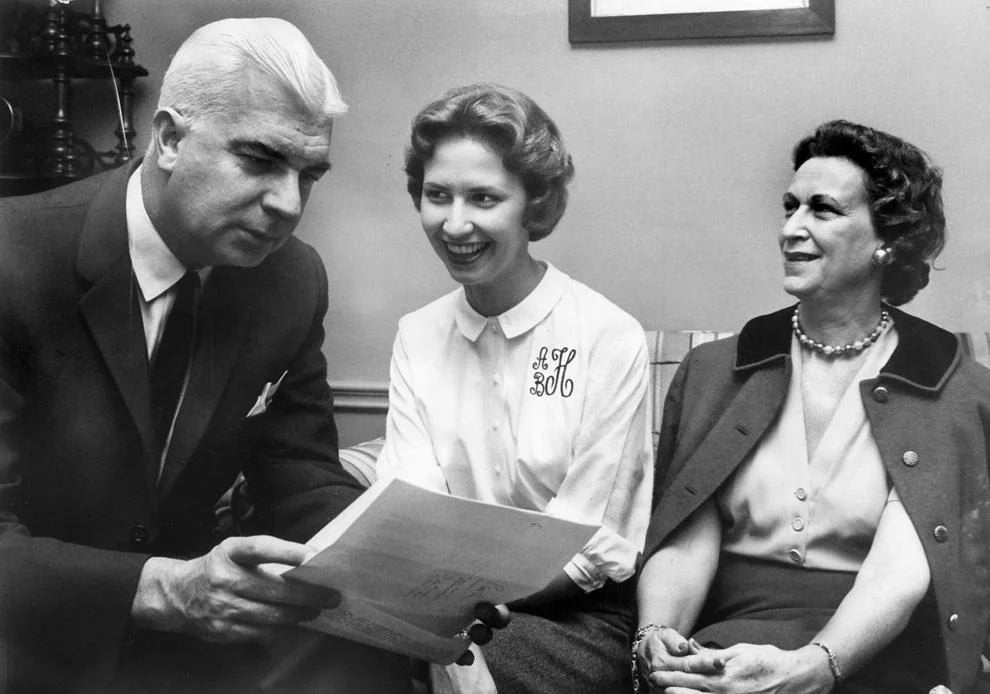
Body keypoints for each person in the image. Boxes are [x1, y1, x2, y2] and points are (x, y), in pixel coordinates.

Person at [0, 17, 417, 693]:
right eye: (259, 160)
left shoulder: (291, 279)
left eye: (309, 174)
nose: (288, 205)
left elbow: (296, 467)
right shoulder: (11, 259)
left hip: (191, 654)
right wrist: (161, 588)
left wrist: (397, 573)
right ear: (168, 138)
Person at [634, 120, 990, 693]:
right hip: (735, 631)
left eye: (822, 210)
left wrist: (814, 667)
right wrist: (657, 637)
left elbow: (895, 574)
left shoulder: (955, 388)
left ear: (887, 241)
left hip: (883, 644)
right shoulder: (715, 371)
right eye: (789, 207)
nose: (791, 229)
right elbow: (686, 538)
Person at [377, 83, 653, 693]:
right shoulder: (417, 336)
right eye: (437, 196)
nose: (455, 224)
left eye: (483, 198)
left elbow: (589, 541)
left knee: (454, 670)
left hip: (575, 616)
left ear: (535, 203)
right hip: (438, 605)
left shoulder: (606, 335)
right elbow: (411, 506)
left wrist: (467, 605)